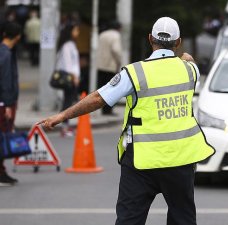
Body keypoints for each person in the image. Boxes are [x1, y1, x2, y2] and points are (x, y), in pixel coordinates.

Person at [38, 17, 215, 225]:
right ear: (178, 42)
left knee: (129, 220)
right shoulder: (190, 71)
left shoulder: (135, 73)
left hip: (141, 160)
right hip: (180, 159)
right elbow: (190, 61)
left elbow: (98, 98)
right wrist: (187, 57)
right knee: (183, 217)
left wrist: (62, 115)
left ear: (150, 39)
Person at [0, 22, 22, 186]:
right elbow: (6, 81)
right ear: (18, 36)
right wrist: (7, 105)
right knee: (3, 136)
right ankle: (1, 172)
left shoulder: (4, 51)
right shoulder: (6, 54)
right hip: (4, 103)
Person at [55, 23, 80, 137]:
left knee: (68, 102)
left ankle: (66, 125)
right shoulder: (67, 45)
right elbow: (68, 63)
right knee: (67, 102)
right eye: (75, 30)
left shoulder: (70, 44)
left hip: (72, 77)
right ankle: (64, 127)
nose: (77, 32)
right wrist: (74, 77)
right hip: (69, 78)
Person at [96, 20, 122, 115]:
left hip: (100, 65)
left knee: (102, 88)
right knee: (112, 89)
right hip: (110, 66)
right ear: (119, 28)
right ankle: (108, 110)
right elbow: (116, 50)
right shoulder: (116, 35)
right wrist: (119, 61)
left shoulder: (102, 34)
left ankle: (103, 109)